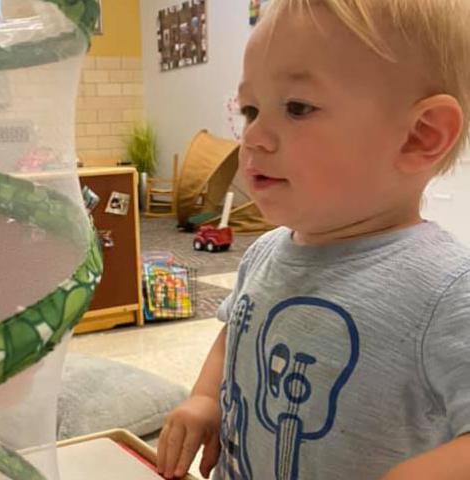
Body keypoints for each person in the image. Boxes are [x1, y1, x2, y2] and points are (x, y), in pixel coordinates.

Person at [157, 1, 470, 479]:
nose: (254, 137)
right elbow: (237, 333)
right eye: (251, 110)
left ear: (419, 137)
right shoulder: (264, 252)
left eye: (297, 107)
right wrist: (205, 398)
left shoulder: (448, 290)